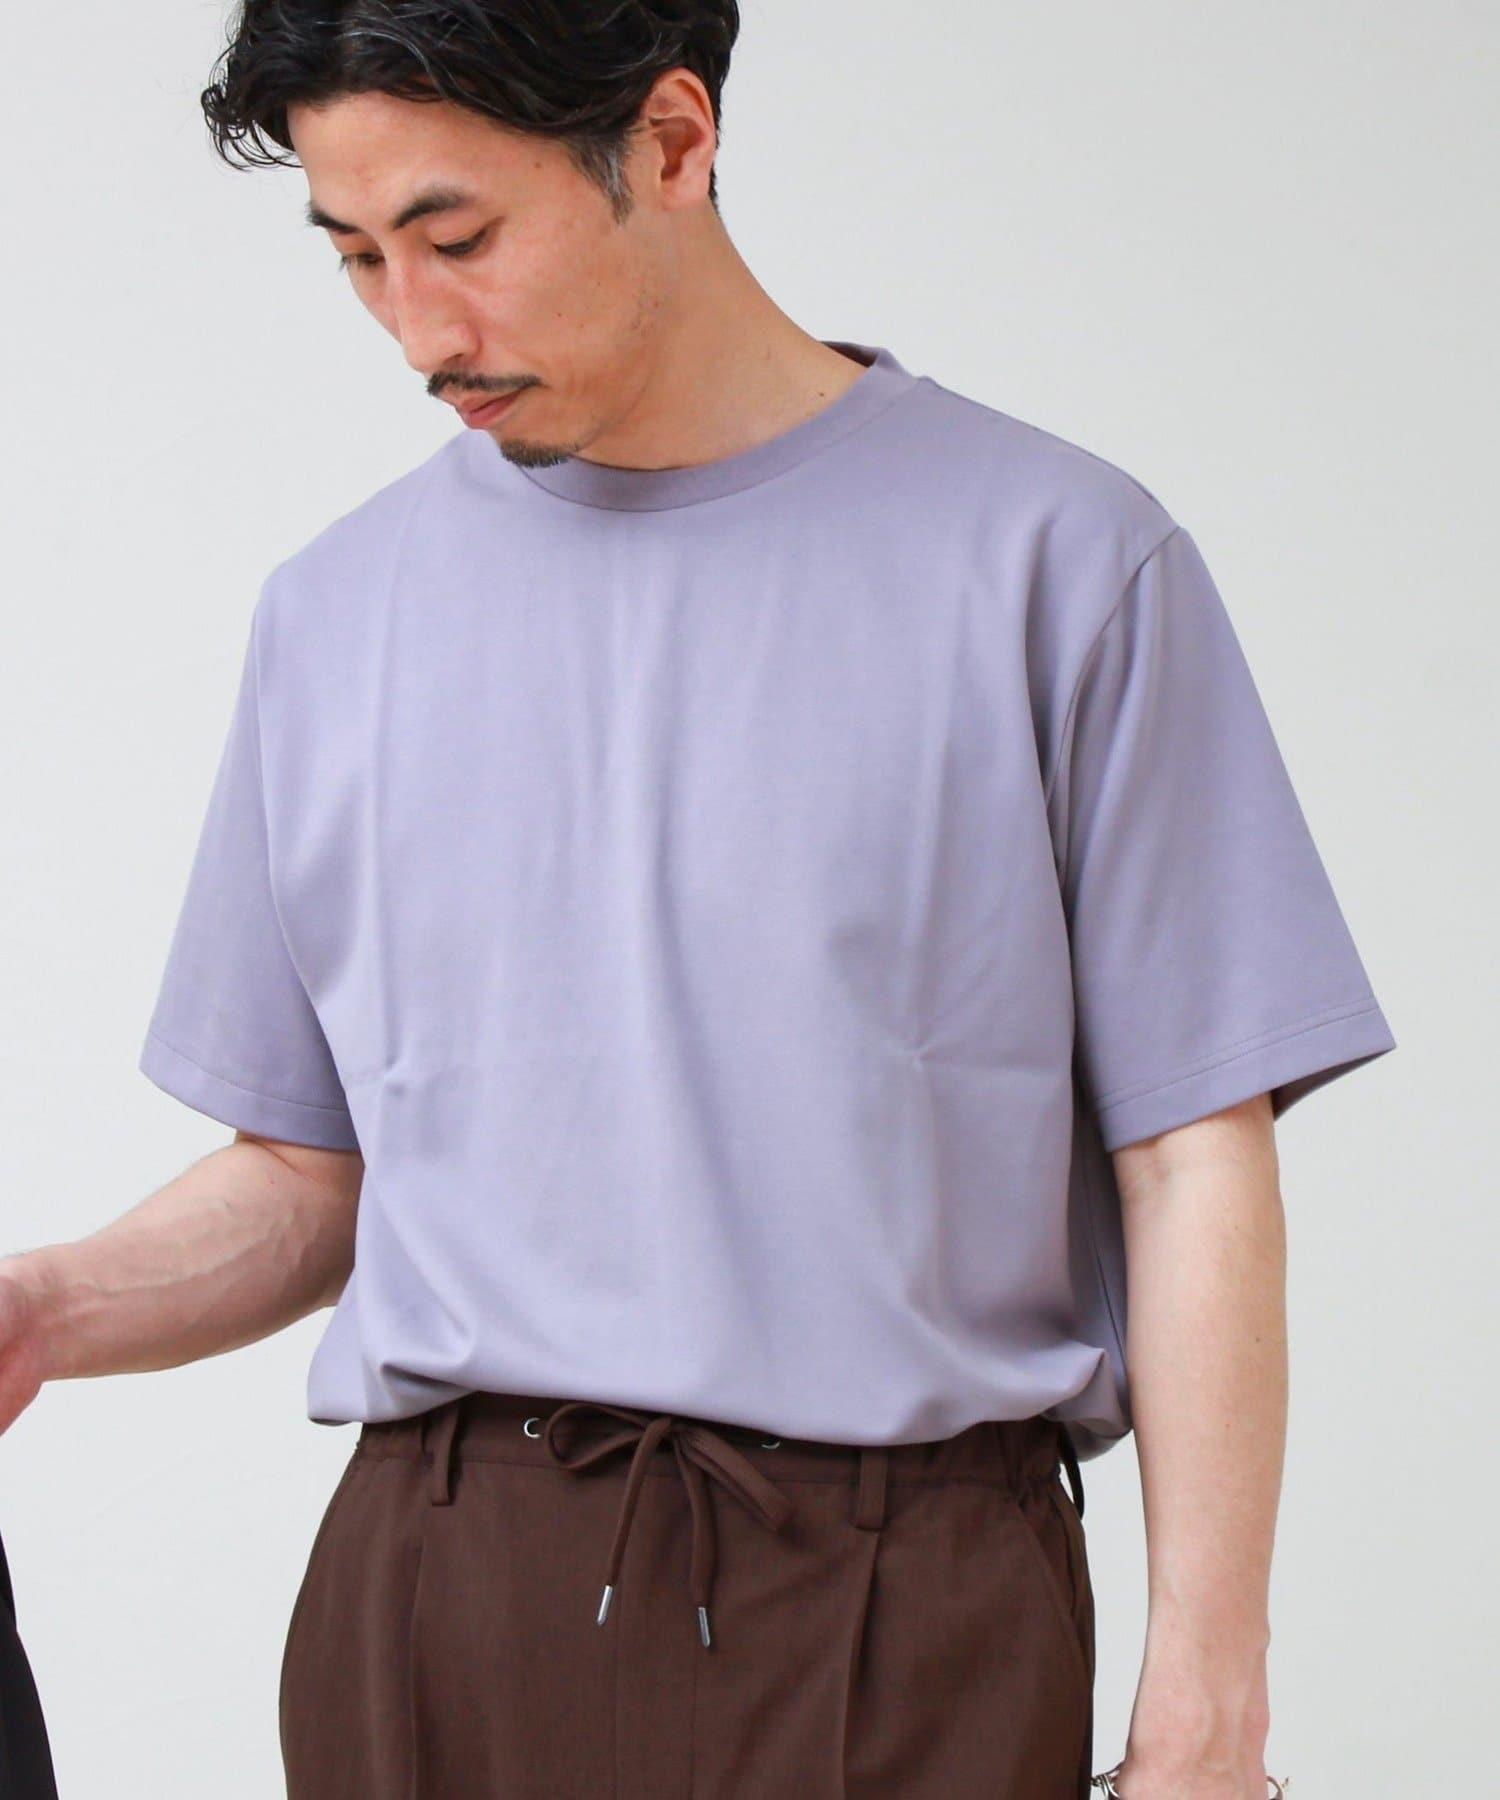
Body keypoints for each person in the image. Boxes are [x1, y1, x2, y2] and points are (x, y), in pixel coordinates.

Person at [0, 3, 1390, 1795]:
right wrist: (47, 1307)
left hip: (908, 1595)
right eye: (356, 257)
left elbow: (1193, 1159)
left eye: (456, 236)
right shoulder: (336, 617)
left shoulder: (1057, 563)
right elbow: (306, 1176)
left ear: (671, 140)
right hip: (443, 1594)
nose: (418, 331)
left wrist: (1211, 1709)